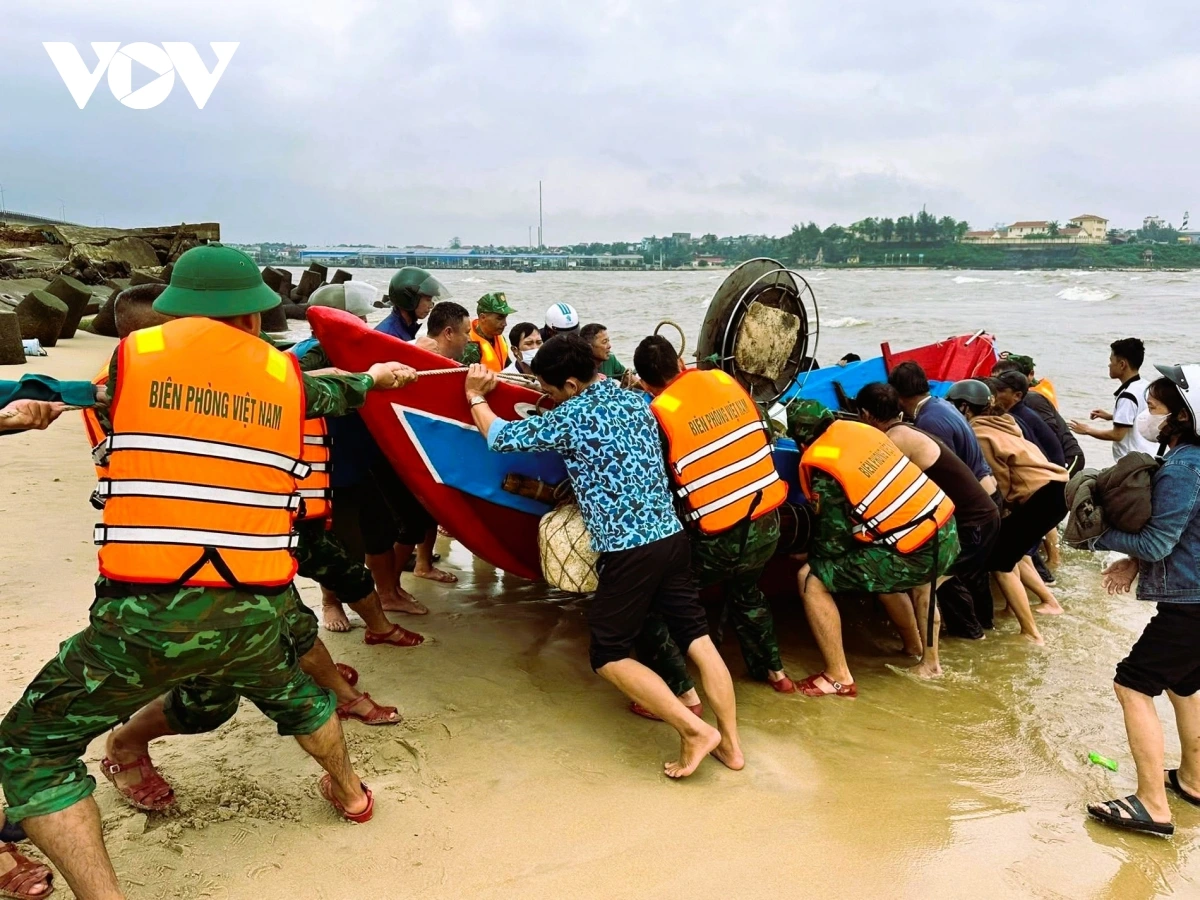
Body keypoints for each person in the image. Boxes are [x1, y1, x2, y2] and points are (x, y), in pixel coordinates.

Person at [0, 245, 416, 897]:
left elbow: (56, 397)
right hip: (252, 607)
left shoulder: (130, 367)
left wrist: (25, 410)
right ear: (253, 319)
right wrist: (388, 376)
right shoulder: (286, 380)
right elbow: (342, 386)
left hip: (143, 613)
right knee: (298, 697)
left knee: (33, 745)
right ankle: (352, 793)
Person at [466, 336, 744, 778]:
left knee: (609, 653)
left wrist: (476, 396)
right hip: (672, 538)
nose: (550, 398)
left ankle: (694, 731)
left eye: (553, 390)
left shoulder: (572, 416)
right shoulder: (637, 400)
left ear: (572, 385)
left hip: (630, 550)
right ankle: (730, 746)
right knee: (699, 640)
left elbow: (500, 438)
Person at [631, 335, 795, 703]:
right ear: (682, 363)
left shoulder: (659, 412)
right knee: (748, 593)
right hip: (769, 522)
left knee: (653, 603)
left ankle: (679, 694)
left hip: (719, 537)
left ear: (644, 384)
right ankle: (775, 673)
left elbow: (659, 476)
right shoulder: (724, 380)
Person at [1086, 365, 1200, 836]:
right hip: (1196, 598)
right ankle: (1193, 780)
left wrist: (1092, 536)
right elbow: (1183, 533)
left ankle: (1152, 803)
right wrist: (1130, 562)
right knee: (1185, 684)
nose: (1147, 418)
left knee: (1132, 683)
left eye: (1154, 409)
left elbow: (1157, 542)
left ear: (1180, 416)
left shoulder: (1183, 466)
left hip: (1191, 604)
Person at [789, 400, 960, 696]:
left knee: (811, 578)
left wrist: (810, 555)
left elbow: (832, 540)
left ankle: (837, 677)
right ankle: (921, 655)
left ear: (801, 439)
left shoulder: (825, 466)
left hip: (913, 551)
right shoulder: (863, 432)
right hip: (944, 531)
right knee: (893, 574)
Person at [857, 383, 1001, 675]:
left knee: (925, 586)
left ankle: (930, 664)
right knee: (935, 583)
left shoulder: (894, 442)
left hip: (973, 524)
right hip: (981, 517)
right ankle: (965, 643)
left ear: (866, 415)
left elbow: (877, 491)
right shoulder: (907, 430)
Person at [948, 379, 1069, 642]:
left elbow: (999, 481)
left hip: (1039, 495)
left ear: (965, 407)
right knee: (1015, 554)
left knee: (999, 563)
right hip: (1059, 486)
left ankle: (1031, 632)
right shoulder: (1005, 422)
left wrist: (997, 516)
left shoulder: (979, 435)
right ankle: (1042, 604)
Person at [890, 361, 999, 638]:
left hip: (972, 511)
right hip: (986, 499)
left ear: (898, 394)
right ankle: (984, 630)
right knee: (971, 574)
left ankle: (969, 633)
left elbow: (940, 476)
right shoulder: (940, 405)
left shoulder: (928, 422)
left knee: (942, 575)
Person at [1070, 338, 1157, 460]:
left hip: (1133, 464)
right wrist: (1111, 416)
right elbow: (1141, 413)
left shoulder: (1128, 396)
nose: (1109, 365)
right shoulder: (1147, 386)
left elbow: (1117, 435)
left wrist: (1087, 430)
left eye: (1111, 360)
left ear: (1122, 364)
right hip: (1149, 455)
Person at [994, 358, 1084, 475]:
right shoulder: (1011, 406)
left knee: (1062, 490)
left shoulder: (1033, 399)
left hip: (1069, 456)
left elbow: (1051, 434)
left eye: (1000, 386)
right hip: (1047, 458)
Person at [376, 266, 447, 341]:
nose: (430, 306)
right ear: (409, 299)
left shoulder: (406, 328)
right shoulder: (388, 336)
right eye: (428, 300)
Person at [462, 292, 515, 370]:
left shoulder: (501, 339)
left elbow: (508, 367)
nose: (505, 324)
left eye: (505, 318)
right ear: (483, 317)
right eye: (499, 318)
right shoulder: (469, 346)